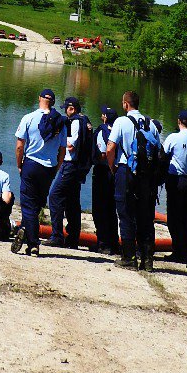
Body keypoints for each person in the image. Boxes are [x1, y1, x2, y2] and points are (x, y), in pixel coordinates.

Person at [105, 90, 161, 271]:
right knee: (145, 216)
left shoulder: (121, 122)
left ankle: (128, 257)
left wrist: (112, 167)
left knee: (126, 214)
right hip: (146, 176)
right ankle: (147, 260)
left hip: (126, 171)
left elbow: (110, 148)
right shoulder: (151, 124)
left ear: (125, 104)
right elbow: (159, 151)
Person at [11, 88, 67, 256]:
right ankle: (25, 229)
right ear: (53, 102)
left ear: (39, 99)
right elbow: (63, 150)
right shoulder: (61, 122)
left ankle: (33, 243)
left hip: (31, 163)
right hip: (49, 167)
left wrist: (19, 164)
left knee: (28, 204)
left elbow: (20, 146)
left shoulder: (29, 118)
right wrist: (57, 167)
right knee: (36, 205)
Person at [47, 96, 92, 249]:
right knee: (72, 201)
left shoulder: (75, 122)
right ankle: (73, 239)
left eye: (66, 108)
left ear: (71, 109)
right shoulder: (83, 121)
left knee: (54, 196)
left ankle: (57, 236)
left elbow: (71, 146)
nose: (65, 112)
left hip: (70, 165)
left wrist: (57, 139)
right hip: (77, 167)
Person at [161, 109, 187, 262]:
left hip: (176, 180)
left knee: (174, 217)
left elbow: (162, 155)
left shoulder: (173, 137)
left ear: (179, 121)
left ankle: (178, 251)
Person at [92, 106, 120, 253]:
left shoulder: (102, 131)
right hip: (117, 172)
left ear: (105, 117)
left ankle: (103, 243)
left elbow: (103, 154)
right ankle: (114, 242)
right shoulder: (119, 131)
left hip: (103, 171)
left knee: (100, 208)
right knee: (111, 208)